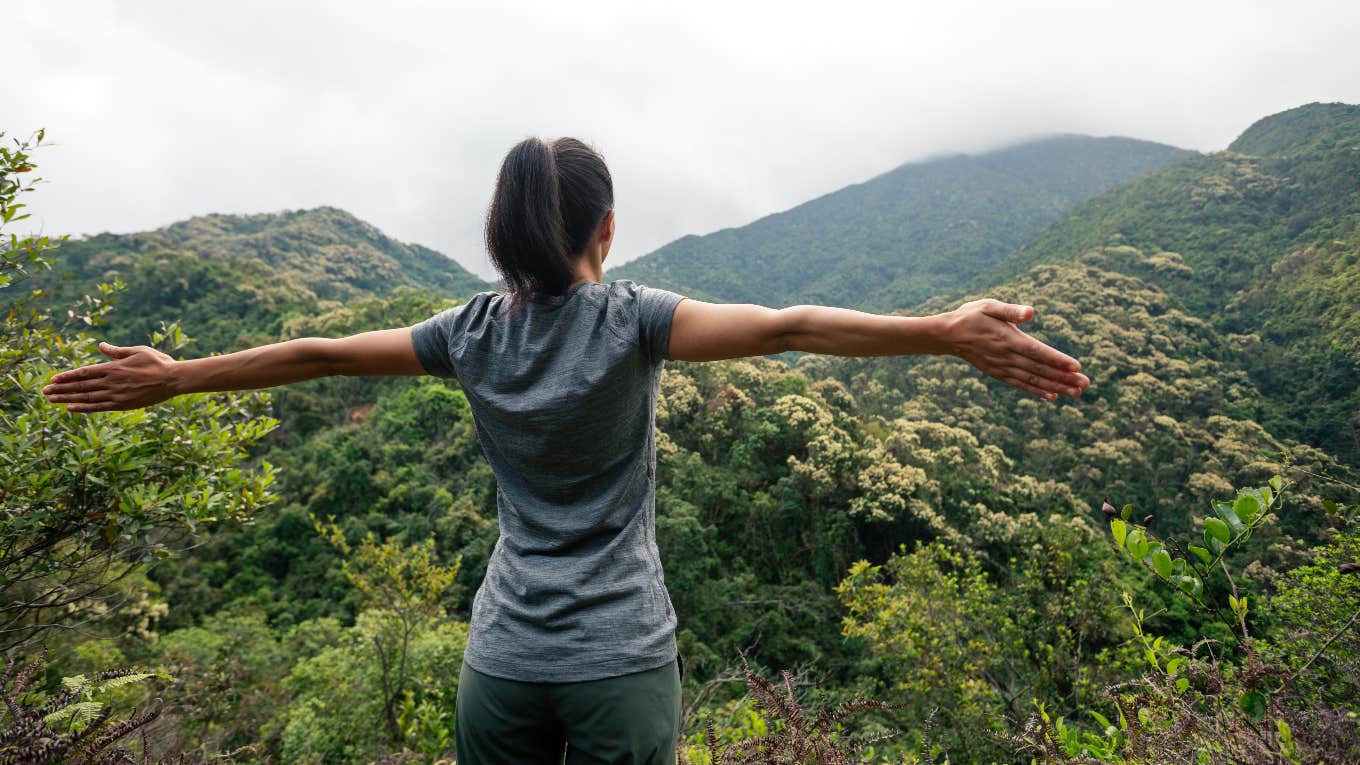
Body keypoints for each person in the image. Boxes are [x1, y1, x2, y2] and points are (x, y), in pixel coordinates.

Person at [42, 136, 1089, 764]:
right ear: (607, 228)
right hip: (619, 659)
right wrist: (942, 333)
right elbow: (786, 325)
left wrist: (177, 376)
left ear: (500, 234)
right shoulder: (633, 322)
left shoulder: (466, 335)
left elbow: (319, 353)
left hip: (499, 663)